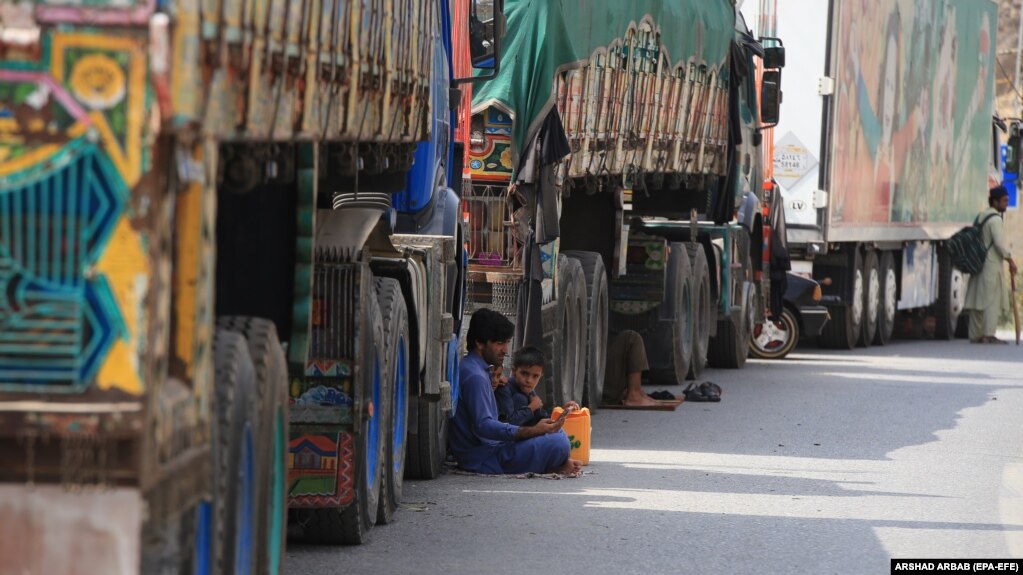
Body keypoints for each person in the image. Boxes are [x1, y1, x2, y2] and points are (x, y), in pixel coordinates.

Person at [449, 308, 582, 475]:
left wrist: (536, 429)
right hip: (485, 458)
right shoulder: (475, 376)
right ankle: (552, 464)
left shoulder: (476, 369)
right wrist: (533, 431)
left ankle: (554, 462)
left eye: (506, 343)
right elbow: (484, 427)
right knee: (559, 442)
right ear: (479, 343)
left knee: (556, 433)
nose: (505, 350)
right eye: (499, 343)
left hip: (492, 450)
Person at [963, 185, 1018, 344]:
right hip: (991, 265)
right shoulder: (995, 219)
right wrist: (1010, 260)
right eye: (1004, 201)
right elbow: (1000, 245)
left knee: (977, 299)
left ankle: (975, 334)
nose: (1006, 203)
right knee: (991, 301)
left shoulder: (981, 216)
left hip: (977, 262)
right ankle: (988, 334)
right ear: (995, 202)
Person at [495, 346, 580, 426]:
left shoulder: (529, 390)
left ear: (540, 376)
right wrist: (531, 408)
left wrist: (563, 412)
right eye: (524, 373)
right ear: (514, 371)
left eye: (535, 376)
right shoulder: (504, 388)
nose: (529, 380)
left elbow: (543, 418)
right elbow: (507, 424)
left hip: (527, 434)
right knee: (520, 398)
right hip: (510, 438)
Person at [601, 330, 659, 407]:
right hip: (601, 390)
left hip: (597, 388)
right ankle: (634, 395)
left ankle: (636, 391)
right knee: (632, 338)